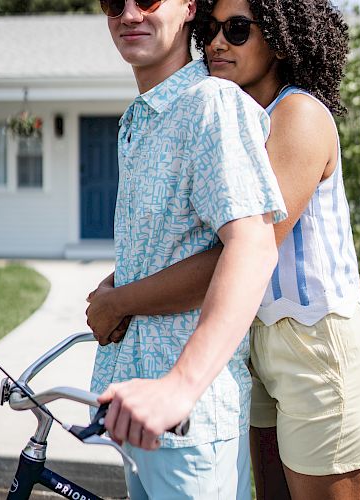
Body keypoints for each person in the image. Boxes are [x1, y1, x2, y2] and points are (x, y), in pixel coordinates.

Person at [87, 0, 360, 499]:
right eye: (210, 29)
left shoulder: (296, 115)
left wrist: (120, 300)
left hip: (319, 347)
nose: (215, 43)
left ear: (278, 35)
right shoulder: (239, 114)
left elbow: (246, 249)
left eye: (236, 30)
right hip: (261, 344)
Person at [87, 0, 287, 498]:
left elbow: (253, 247)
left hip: (190, 421)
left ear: (189, 8)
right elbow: (170, 246)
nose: (130, 14)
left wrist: (180, 387)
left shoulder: (211, 102)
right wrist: (117, 288)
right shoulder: (142, 117)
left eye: (150, 0)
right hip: (135, 411)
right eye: (116, 3)